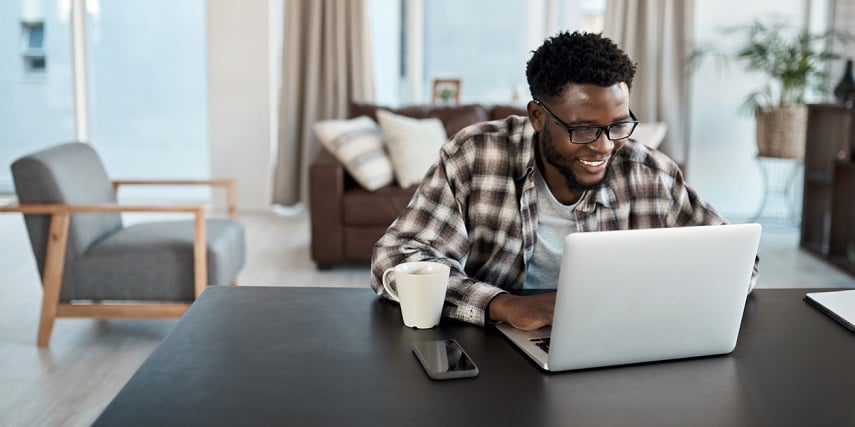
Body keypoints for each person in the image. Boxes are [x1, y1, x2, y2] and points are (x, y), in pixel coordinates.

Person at [370, 31, 758, 331]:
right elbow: (396, 259)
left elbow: (739, 262)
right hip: (496, 344)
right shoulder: (475, 154)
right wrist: (502, 306)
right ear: (538, 117)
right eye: (585, 129)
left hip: (618, 339)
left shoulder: (650, 172)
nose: (605, 146)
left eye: (618, 125)